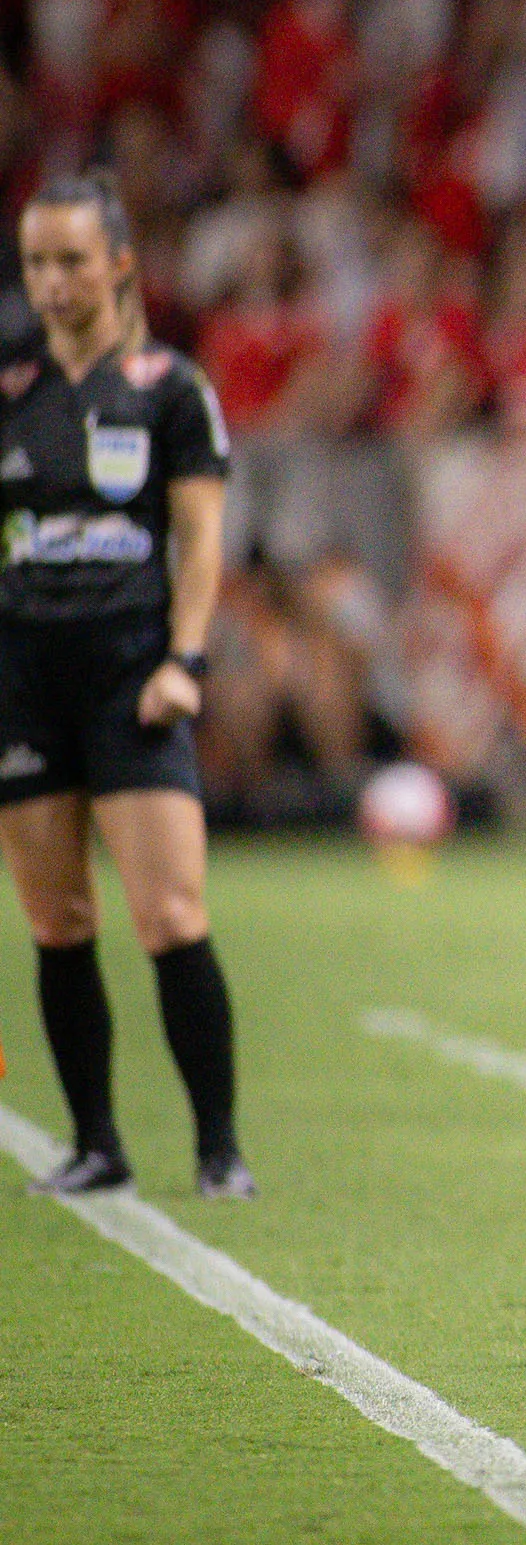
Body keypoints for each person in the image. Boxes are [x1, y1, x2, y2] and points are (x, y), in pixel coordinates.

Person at [5, 176, 249, 1198]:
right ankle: (97, 1139)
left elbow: (198, 538)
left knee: (171, 911)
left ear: (117, 263)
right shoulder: (14, 395)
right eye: (35, 262)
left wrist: (184, 660)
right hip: (23, 681)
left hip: (132, 677)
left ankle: (217, 1146)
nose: (52, 281)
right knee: (59, 918)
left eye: (70, 259)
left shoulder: (167, 388)